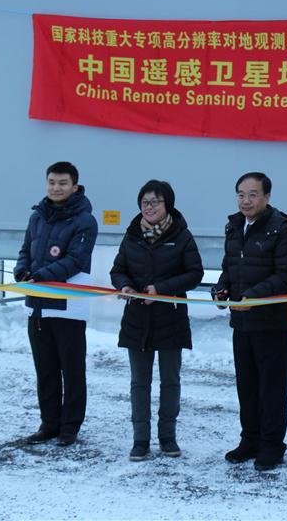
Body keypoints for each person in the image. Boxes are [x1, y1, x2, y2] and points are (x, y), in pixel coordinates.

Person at [110, 180, 204, 461]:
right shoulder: (132, 236)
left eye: (155, 202)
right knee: (139, 382)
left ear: (168, 205)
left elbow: (194, 273)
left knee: (170, 381)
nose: (149, 207)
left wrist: (161, 290)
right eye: (145, 202)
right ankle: (140, 439)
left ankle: (167, 437)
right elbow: (118, 270)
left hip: (170, 317)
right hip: (137, 319)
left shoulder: (182, 236)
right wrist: (124, 286)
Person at [213, 172, 287, 471]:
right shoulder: (234, 227)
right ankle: (250, 439)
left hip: (271, 322)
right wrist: (222, 288)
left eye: (252, 194)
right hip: (242, 321)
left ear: (266, 197)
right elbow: (229, 267)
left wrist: (252, 295)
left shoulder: (282, 230)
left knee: (271, 387)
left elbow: (283, 276)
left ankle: (273, 445)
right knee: (246, 385)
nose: (245, 200)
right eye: (240, 194)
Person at [15, 161, 98, 447]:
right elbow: (26, 249)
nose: (56, 187)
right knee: (45, 368)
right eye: (51, 182)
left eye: (62, 183)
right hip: (37, 305)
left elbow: (75, 260)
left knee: (71, 369)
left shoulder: (85, 220)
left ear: (74, 187)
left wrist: (40, 275)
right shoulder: (37, 216)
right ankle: (49, 424)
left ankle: (70, 426)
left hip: (67, 307)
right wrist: (22, 270)